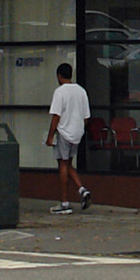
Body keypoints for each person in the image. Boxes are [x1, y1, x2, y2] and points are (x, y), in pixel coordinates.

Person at [45, 62, 91, 214]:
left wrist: (50, 136)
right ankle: (82, 190)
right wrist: (79, 129)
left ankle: (64, 202)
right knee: (68, 163)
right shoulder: (81, 91)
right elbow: (86, 117)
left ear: (59, 76)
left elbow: (56, 116)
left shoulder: (60, 92)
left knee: (63, 165)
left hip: (64, 132)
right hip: (77, 133)